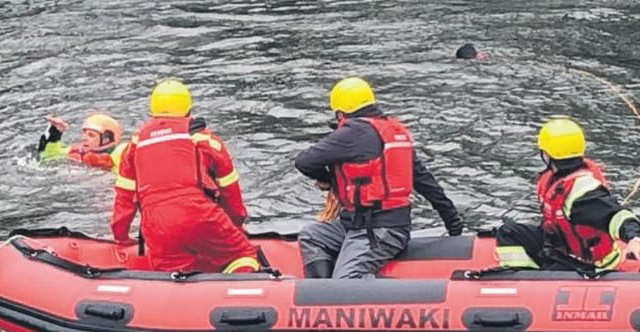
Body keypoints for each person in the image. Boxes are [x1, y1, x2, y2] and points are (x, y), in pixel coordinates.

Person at [294, 76, 464, 279]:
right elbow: (426, 182)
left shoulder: (352, 133)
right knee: (313, 236)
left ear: (340, 112)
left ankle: (364, 294)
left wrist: (329, 180)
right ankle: (320, 294)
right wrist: (452, 221)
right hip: (360, 225)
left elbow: (304, 161)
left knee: (347, 280)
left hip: (381, 229)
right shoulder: (394, 133)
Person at [111, 79, 259, 273]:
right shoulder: (204, 139)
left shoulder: (135, 145)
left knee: (173, 276)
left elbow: (124, 198)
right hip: (199, 214)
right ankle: (242, 293)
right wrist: (236, 224)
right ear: (189, 109)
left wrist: (120, 237)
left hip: (157, 225)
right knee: (243, 255)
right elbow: (230, 190)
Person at [495, 116, 640, 273]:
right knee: (509, 233)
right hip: (562, 248)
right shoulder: (557, 180)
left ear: (547, 154)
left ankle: (533, 284)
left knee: (551, 270)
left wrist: (634, 240)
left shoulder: (582, 194)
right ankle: (523, 277)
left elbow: (617, 216)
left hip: (587, 263)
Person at [37, 113, 127, 173]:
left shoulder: (119, 155)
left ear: (106, 140)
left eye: (91, 135)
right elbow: (49, 155)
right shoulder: (77, 152)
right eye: (84, 133)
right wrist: (55, 132)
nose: (84, 138)